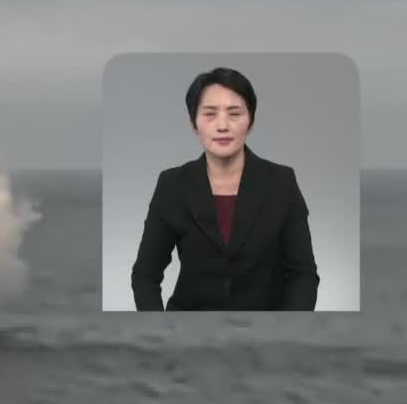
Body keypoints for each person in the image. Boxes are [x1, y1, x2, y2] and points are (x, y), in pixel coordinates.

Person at [130, 67, 319, 310]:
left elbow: (302, 274)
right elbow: (145, 275)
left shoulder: (282, 182)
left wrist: (288, 333)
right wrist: (161, 333)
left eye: (234, 114)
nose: (222, 126)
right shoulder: (172, 185)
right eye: (210, 114)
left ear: (250, 122)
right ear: (193, 123)